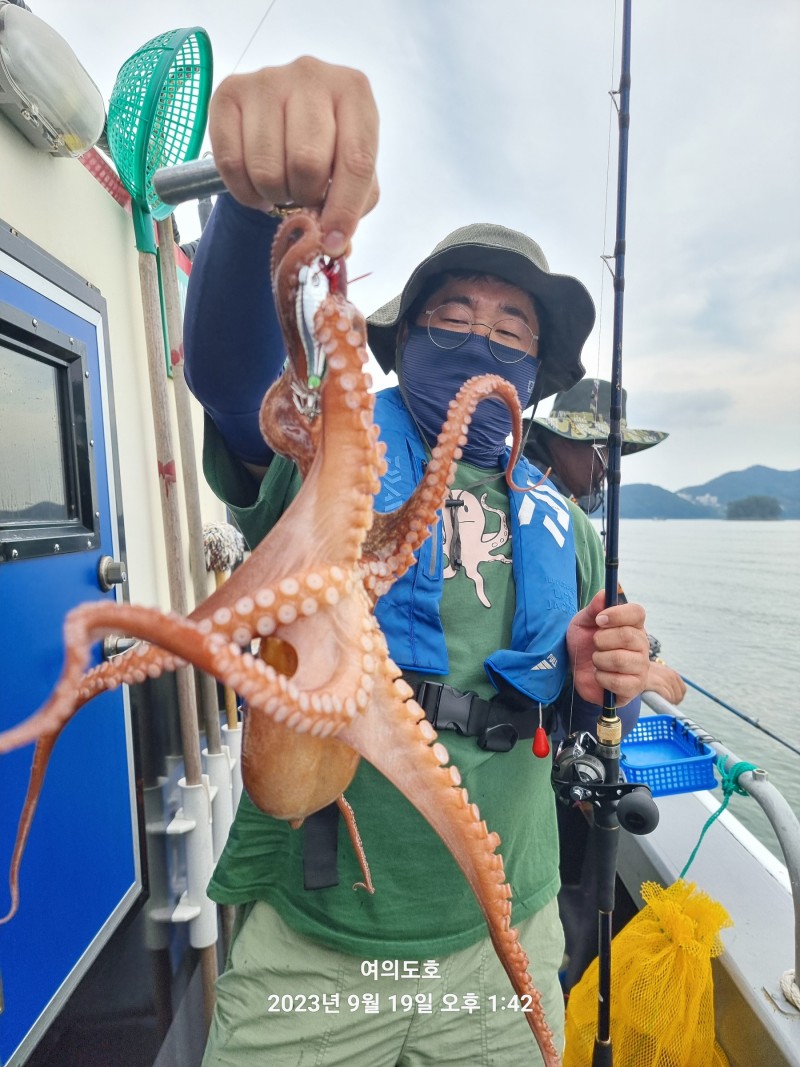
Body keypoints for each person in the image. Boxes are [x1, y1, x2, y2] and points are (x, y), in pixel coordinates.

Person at [183, 57, 651, 1067]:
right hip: (318, 946)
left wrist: (602, 680)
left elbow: (594, 708)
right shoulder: (326, 459)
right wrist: (253, 206)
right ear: (405, 337)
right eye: (451, 315)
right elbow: (229, 376)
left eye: (510, 326)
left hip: (500, 939)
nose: (481, 336)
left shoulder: (565, 526)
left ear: (533, 369)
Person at [524, 379, 686, 706]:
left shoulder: (541, 494)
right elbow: (544, 631)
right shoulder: (547, 511)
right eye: (603, 450)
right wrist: (633, 677)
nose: (609, 467)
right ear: (560, 441)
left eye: (616, 454)